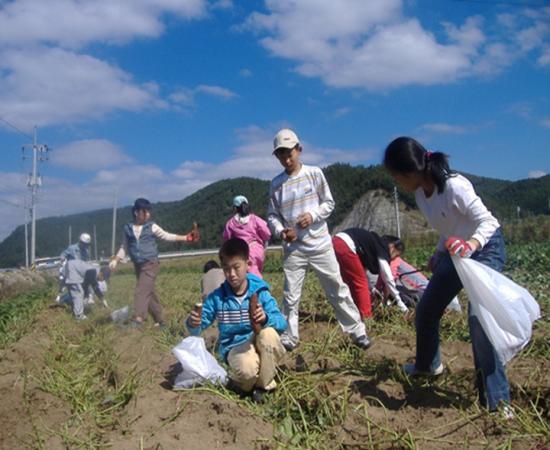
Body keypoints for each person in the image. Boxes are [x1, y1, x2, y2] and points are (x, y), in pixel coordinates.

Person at [383, 136, 510, 414]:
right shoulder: (420, 194)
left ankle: (497, 401)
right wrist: (440, 252)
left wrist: (471, 245)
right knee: (427, 310)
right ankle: (428, 366)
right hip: (457, 252)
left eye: (395, 175)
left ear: (410, 171)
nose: (397, 182)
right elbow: (448, 226)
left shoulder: (455, 186)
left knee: (480, 320)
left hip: (485, 249)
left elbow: (488, 222)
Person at [267, 128, 371, 351]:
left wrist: (312, 216)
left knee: (336, 287)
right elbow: (272, 215)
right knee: (291, 295)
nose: (286, 158)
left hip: (320, 244)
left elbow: (329, 203)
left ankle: (357, 331)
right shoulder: (276, 184)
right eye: (280, 154)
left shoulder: (314, 174)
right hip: (294, 248)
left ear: (299, 150)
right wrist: (280, 231)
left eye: (289, 153)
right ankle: (289, 337)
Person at [187, 238, 287, 402]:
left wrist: (266, 318)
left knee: (269, 335)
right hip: (235, 347)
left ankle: (262, 387)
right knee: (247, 371)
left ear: (247, 264)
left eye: (236, 267)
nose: (231, 274)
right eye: (226, 269)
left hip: (258, 341)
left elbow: (282, 323)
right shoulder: (217, 297)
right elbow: (197, 328)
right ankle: (244, 383)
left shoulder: (260, 292)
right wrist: (193, 323)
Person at [109, 198, 200, 327]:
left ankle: (138, 319)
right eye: (145, 212)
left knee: (141, 290)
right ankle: (161, 321)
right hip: (138, 265)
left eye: (148, 212)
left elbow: (166, 236)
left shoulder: (151, 226)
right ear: (136, 212)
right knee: (149, 293)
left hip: (151, 263)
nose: (148, 214)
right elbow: (124, 247)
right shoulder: (128, 228)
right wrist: (116, 260)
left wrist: (185, 237)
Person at [333, 230, 409, 319]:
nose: (393, 259)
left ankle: (348, 314)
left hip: (336, 241)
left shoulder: (371, 245)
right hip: (345, 244)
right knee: (361, 284)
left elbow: (362, 271)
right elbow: (388, 278)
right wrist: (400, 303)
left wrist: (372, 289)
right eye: (396, 255)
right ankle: (367, 317)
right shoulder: (382, 247)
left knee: (349, 283)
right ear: (392, 247)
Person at [223, 195, 271, 278]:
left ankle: (255, 288)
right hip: (256, 249)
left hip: (241, 251)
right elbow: (267, 233)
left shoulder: (231, 223)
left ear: (235, 208)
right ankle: (258, 288)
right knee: (256, 270)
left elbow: (227, 238)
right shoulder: (254, 219)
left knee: (247, 274)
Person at [55, 233, 92, 303]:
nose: (85, 246)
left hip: (79, 272)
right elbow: (63, 254)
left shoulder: (86, 252)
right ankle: (59, 297)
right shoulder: (72, 248)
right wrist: (62, 259)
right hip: (70, 270)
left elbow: (86, 262)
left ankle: (87, 297)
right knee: (64, 284)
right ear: (80, 241)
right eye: (84, 243)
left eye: (87, 244)